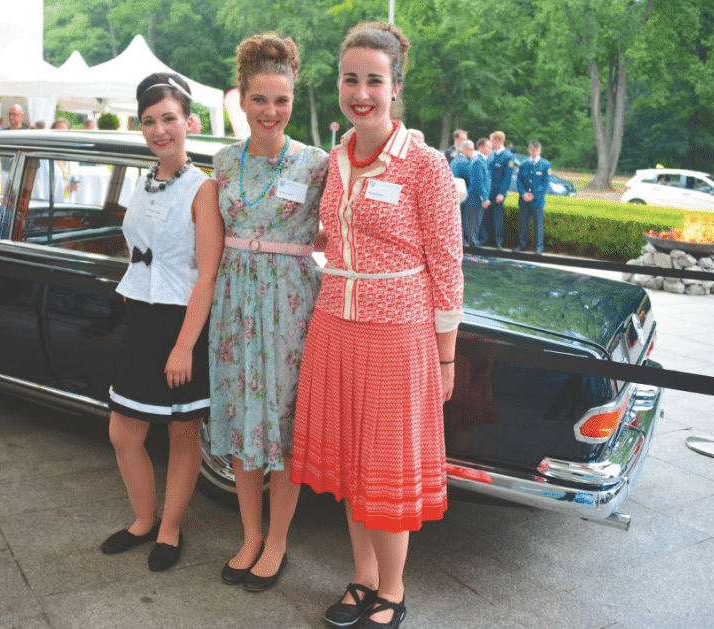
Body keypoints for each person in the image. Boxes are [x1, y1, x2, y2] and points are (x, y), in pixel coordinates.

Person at [290, 22, 462, 629]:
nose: (360, 93)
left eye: (373, 81)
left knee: (385, 467)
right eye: (350, 79)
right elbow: (337, 235)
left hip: (398, 336)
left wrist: (445, 356)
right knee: (351, 466)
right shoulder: (336, 160)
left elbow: (447, 266)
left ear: (395, 87)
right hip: (335, 326)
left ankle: (393, 588)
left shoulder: (426, 165)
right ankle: (362, 578)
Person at [209, 33, 329, 592]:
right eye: (260, 99)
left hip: (290, 306)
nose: (270, 111)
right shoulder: (222, 161)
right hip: (234, 303)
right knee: (243, 419)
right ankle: (250, 535)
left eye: (281, 100)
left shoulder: (317, 162)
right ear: (241, 99)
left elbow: (341, 227)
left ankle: (277, 540)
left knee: (283, 425)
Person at [100, 72, 223, 573]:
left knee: (182, 433)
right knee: (123, 432)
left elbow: (207, 273)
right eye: (149, 121)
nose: (159, 130)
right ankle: (144, 518)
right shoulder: (144, 179)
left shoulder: (203, 188)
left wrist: (185, 346)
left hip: (181, 324)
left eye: (168, 118)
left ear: (189, 122)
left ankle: (170, 528)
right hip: (142, 317)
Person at [516, 140, 551, 254]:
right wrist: (523, 193)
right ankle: (521, 245)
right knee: (523, 225)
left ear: (540, 150)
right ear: (529, 150)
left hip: (537, 201)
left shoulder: (545, 165)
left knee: (538, 225)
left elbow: (545, 184)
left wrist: (534, 195)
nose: (534, 152)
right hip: (524, 200)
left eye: (536, 150)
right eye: (532, 150)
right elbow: (519, 180)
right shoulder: (523, 164)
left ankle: (538, 248)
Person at [483, 131, 514, 249]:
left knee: (497, 217)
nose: (490, 143)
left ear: (497, 141)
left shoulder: (508, 156)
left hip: (497, 192)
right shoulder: (491, 154)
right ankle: (484, 239)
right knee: (486, 216)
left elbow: (507, 178)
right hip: (488, 191)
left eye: (491, 140)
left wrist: (501, 193)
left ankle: (498, 242)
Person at [463, 137, 492, 248]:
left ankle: (473, 245)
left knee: (476, 223)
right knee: (473, 224)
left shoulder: (482, 160)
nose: (490, 149)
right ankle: (472, 247)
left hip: (478, 198)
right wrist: (484, 198)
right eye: (488, 147)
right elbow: (479, 182)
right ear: (480, 148)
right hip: (475, 198)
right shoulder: (478, 161)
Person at [449, 140, 473, 231]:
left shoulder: (455, 160)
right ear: (464, 150)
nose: (472, 152)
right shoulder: (465, 162)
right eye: (470, 149)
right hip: (462, 195)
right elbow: (470, 180)